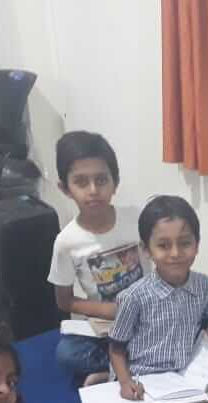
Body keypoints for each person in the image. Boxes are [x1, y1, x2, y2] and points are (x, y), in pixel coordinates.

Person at [100, 195, 208, 403]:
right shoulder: (133, 297)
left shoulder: (205, 285)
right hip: (143, 382)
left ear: (197, 244)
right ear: (146, 250)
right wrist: (125, 382)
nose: (176, 253)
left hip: (184, 379)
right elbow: (116, 349)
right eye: (164, 245)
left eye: (185, 243)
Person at [49, 131, 144, 386]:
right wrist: (109, 310)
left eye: (101, 180)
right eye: (81, 182)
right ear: (65, 188)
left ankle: (116, 370)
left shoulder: (136, 219)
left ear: (115, 182)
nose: (93, 190)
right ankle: (135, 364)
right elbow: (64, 301)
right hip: (108, 325)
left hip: (148, 315)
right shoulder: (66, 242)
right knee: (67, 353)